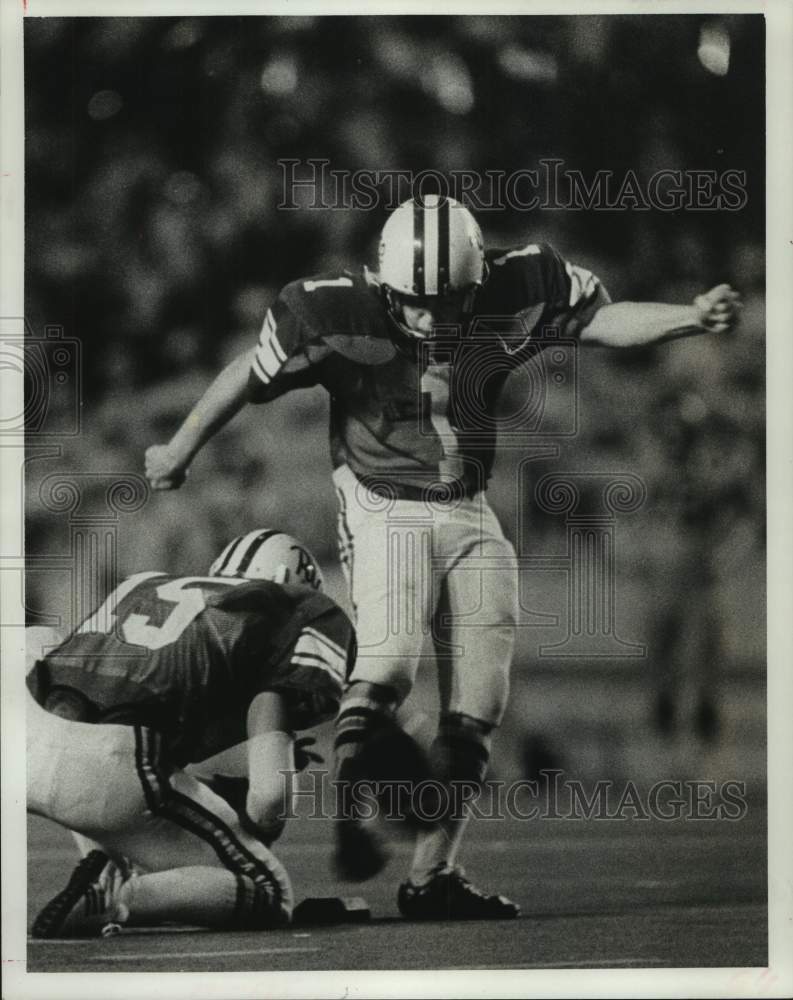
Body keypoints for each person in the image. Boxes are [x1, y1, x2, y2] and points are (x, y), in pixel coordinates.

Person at [145, 195, 742, 920]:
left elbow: (597, 321)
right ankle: (355, 811)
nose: (429, 318)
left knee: (481, 699)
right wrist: (180, 447)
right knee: (390, 662)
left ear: (475, 280)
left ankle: (432, 874)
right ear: (383, 284)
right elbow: (250, 369)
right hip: (382, 503)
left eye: (445, 301)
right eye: (413, 302)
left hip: (467, 504)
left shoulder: (516, 286)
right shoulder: (336, 312)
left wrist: (689, 315)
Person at [27, 529, 356, 937]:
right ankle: (116, 897)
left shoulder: (148, 584)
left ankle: (103, 870)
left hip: (25, 727)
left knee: (100, 753)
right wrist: (268, 795)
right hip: (108, 763)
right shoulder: (289, 613)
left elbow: (85, 709)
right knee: (269, 891)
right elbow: (269, 801)